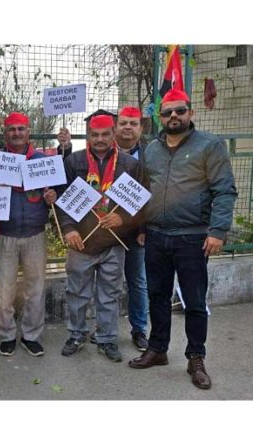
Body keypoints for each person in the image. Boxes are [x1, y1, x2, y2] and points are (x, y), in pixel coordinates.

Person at [128, 89, 237, 390]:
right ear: (160, 117)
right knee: (157, 296)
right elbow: (142, 192)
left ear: (190, 113)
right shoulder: (151, 149)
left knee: (195, 302)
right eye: (167, 112)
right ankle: (158, 349)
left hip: (192, 238)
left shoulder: (210, 146)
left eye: (179, 111)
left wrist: (217, 231)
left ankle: (196, 357)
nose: (173, 116)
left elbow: (224, 190)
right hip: (155, 236)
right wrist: (140, 227)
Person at [58, 114, 142, 363]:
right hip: (80, 242)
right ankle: (76, 334)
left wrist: (124, 220)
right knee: (77, 293)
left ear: (114, 133)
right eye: (94, 135)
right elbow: (64, 199)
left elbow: (140, 200)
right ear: (88, 136)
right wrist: (69, 229)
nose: (100, 139)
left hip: (114, 242)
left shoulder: (129, 164)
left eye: (105, 134)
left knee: (110, 295)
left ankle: (107, 339)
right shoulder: (74, 161)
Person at [0, 112, 57, 357]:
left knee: (35, 289)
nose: (16, 133)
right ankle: (6, 333)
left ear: (29, 132)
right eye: (11, 129)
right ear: (4, 133)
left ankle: (31, 335)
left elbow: (56, 193)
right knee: (3, 289)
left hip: (35, 233)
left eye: (21, 128)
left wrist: (53, 197)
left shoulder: (41, 160)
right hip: (3, 233)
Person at [115, 106, 149, 351]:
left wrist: (145, 228)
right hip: (106, 231)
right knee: (107, 282)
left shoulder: (151, 156)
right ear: (116, 126)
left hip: (137, 232)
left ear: (141, 128)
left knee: (137, 281)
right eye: (123, 122)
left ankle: (139, 329)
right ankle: (104, 329)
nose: (128, 127)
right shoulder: (103, 153)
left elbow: (154, 195)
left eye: (133, 123)